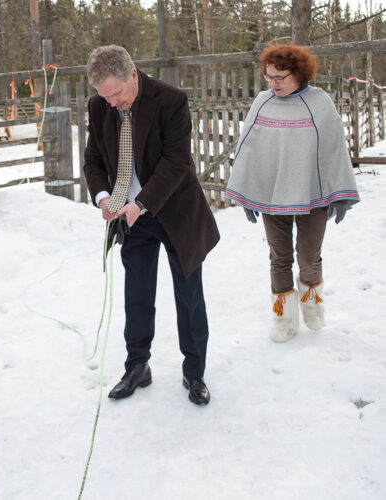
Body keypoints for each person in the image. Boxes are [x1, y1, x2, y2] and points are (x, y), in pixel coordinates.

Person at [83, 45, 220, 406]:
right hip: (130, 217)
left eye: (116, 94)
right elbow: (93, 158)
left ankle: (194, 373)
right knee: (137, 295)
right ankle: (137, 365)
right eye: (104, 96)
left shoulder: (170, 100)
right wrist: (102, 198)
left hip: (175, 212)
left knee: (189, 296)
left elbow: (176, 163)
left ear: (133, 74)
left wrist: (141, 204)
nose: (111, 103)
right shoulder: (99, 106)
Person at [225, 44, 359, 343]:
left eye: (279, 77)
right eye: (268, 76)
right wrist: (248, 191)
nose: (272, 83)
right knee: (279, 257)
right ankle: (284, 319)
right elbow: (248, 149)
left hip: (312, 193)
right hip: (272, 196)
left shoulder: (320, 102)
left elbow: (333, 149)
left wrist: (339, 193)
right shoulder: (262, 102)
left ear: (299, 74)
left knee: (309, 257)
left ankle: (312, 305)